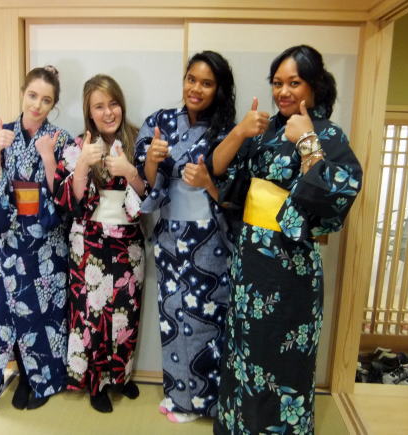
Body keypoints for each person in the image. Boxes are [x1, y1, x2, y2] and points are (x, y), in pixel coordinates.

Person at [211, 45, 362, 434]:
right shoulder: (263, 132)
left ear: (314, 86)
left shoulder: (328, 134)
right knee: (245, 352)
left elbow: (339, 193)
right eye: (277, 83)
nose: (283, 92)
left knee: (284, 357)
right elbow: (223, 175)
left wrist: (307, 140)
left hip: (290, 266)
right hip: (250, 263)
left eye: (294, 83)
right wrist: (241, 131)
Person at [134, 51, 236, 423]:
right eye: (191, 79)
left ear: (218, 89)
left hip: (209, 242)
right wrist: (151, 159)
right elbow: (147, 182)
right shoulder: (160, 121)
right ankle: (179, 396)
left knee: (204, 321)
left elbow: (233, 192)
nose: (196, 88)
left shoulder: (226, 132)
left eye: (206, 83)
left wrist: (207, 180)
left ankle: (206, 402)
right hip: (169, 237)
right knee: (172, 317)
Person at [0, 65, 72, 410]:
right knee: (11, 312)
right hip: (10, 239)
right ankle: (23, 377)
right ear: (23, 93)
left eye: (46, 100)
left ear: (54, 104)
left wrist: (48, 157)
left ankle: (44, 380)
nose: (37, 105)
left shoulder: (61, 139)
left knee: (45, 313)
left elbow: (67, 197)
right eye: (32, 96)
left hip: (47, 243)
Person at [54, 74, 146, 413]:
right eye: (99, 106)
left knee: (125, 312)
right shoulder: (78, 145)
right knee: (91, 314)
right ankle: (95, 383)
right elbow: (66, 200)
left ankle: (120, 376)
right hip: (89, 241)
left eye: (113, 104)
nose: (108, 112)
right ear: (88, 112)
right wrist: (82, 164)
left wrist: (130, 171)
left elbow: (152, 194)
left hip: (128, 242)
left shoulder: (138, 139)